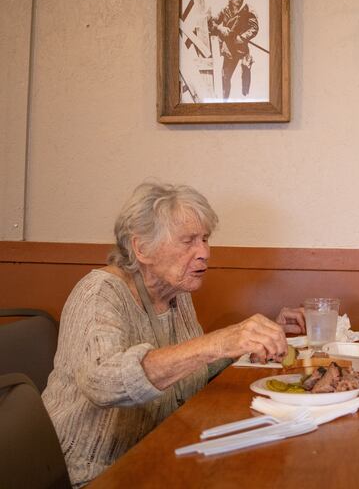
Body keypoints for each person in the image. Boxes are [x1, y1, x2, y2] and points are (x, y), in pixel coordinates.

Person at [42, 182, 304, 486]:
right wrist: (219, 342)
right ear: (142, 248)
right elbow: (105, 384)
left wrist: (250, 339)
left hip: (157, 452)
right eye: (188, 241)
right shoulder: (98, 293)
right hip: (92, 472)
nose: (204, 252)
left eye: (205, 239)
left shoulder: (175, 292)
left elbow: (191, 367)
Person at [208, 0, 259, 100]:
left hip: (242, 47)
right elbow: (212, 23)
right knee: (225, 77)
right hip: (229, 49)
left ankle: (246, 96)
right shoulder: (224, 10)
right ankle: (224, 101)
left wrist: (242, 37)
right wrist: (220, 28)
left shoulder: (247, 10)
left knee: (245, 75)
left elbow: (254, 28)